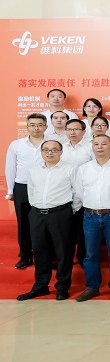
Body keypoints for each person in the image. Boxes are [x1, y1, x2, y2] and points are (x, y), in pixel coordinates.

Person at [17, 140, 77, 301]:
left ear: (61, 152)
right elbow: (31, 191)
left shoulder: (70, 169)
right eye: (46, 150)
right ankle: (41, 286)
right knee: (39, 250)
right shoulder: (34, 170)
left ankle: (62, 287)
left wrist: (68, 211)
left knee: (63, 251)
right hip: (37, 214)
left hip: (60, 213)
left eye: (54, 150)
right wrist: (36, 208)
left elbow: (77, 192)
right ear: (41, 152)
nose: (50, 153)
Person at [74, 134, 110, 302]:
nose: (100, 147)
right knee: (90, 254)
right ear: (92, 147)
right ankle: (92, 287)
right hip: (90, 215)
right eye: (96, 144)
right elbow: (79, 192)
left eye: (104, 144)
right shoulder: (84, 168)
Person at [6, 113, 48, 269]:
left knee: (45, 223)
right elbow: (10, 168)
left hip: (46, 187)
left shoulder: (52, 143)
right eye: (32, 125)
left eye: (40, 125)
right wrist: (10, 190)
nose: (36, 128)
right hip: (22, 187)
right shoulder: (16, 145)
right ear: (27, 126)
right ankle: (25, 255)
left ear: (46, 126)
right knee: (23, 223)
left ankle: (45, 256)